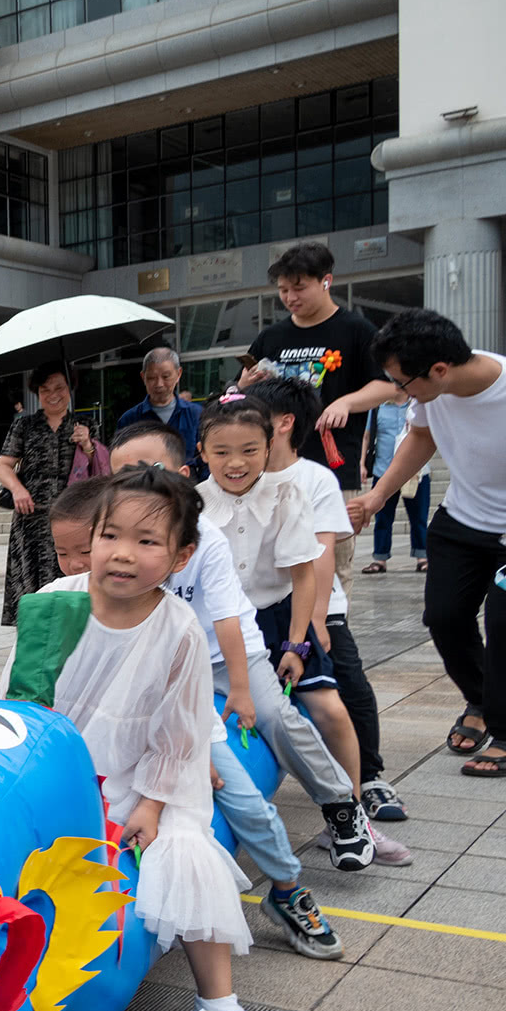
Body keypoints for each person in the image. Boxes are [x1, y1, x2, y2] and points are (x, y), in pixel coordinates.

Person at [15, 466, 281, 1011]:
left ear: (182, 555)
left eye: (148, 541)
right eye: (111, 535)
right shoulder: (53, 603)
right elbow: (21, 698)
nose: (123, 555)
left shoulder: (180, 629)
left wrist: (153, 806)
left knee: (190, 856)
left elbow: (179, 732)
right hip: (61, 766)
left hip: (147, 776)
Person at [105, 423, 348, 957]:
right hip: (128, 716)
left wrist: (201, 734)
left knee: (244, 791)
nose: (118, 554)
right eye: (103, 541)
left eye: (152, 473)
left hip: (196, 693)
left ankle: (288, 885)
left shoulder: (195, 554)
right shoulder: (88, 580)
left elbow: (222, 628)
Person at [195, 393, 378, 871]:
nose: (236, 463)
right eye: (222, 452)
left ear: (270, 442)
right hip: (202, 633)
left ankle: (343, 807)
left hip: (270, 621)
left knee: (278, 714)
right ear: (202, 452)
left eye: (249, 450)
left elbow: (303, 576)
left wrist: (297, 644)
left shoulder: (287, 495)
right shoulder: (190, 504)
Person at [349, 308, 506, 778]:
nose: (398, 393)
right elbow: (421, 437)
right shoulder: (432, 391)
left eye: (401, 383)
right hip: (464, 517)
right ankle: (484, 699)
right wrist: (376, 496)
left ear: (439, 370)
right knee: (444, 616)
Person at [247, 376, 410, 832]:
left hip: (316, 607)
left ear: (282, 423)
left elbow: (319, 553)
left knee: (346, 693)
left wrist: (316, 618)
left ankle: (369, 782)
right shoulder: (241, 476)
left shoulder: (314, 477)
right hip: (257, 611)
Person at [246, 241, 403, 591]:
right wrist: (243, 384)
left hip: (334, 470)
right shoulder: (271, 337)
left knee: (331, 569)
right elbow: (243, 394)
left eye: (299, 288)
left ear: (326, 281)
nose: (290, 297)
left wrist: (346, 402)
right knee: (274, 569)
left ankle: (329, 640)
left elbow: (390, 387)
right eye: (283, 290)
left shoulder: (357, 330)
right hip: (273, 471)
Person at [0, 362, 89, 626]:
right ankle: (32, 640)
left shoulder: (84, 424)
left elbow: (102, 469)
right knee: (30, 585)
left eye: (59, 387)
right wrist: (17, 489)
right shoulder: (25, 426)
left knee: (73, 580)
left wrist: (88, 444)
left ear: (70, 389)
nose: (53, 394)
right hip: (31, 517)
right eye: (45, 389)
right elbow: (3, 465)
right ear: (37, 392)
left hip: (73, 518)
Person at [115, 346, 207, 481]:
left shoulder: (196, 414)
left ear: (178, 374)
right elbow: (122, 464)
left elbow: (207, 459)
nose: (159, 384)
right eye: (152, 378)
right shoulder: (130, 419)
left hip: (189, 489)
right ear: (143, 377)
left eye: (166, 376)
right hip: (146, 491)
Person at [361, 396, 428, 574]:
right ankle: (380, 559)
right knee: (382, 517)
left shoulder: (417, 403)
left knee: (418, 516)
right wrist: (362, 463)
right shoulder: (377, 407)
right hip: (383, 470)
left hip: (416, 471)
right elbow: (367, 435)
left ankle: (422, 557)